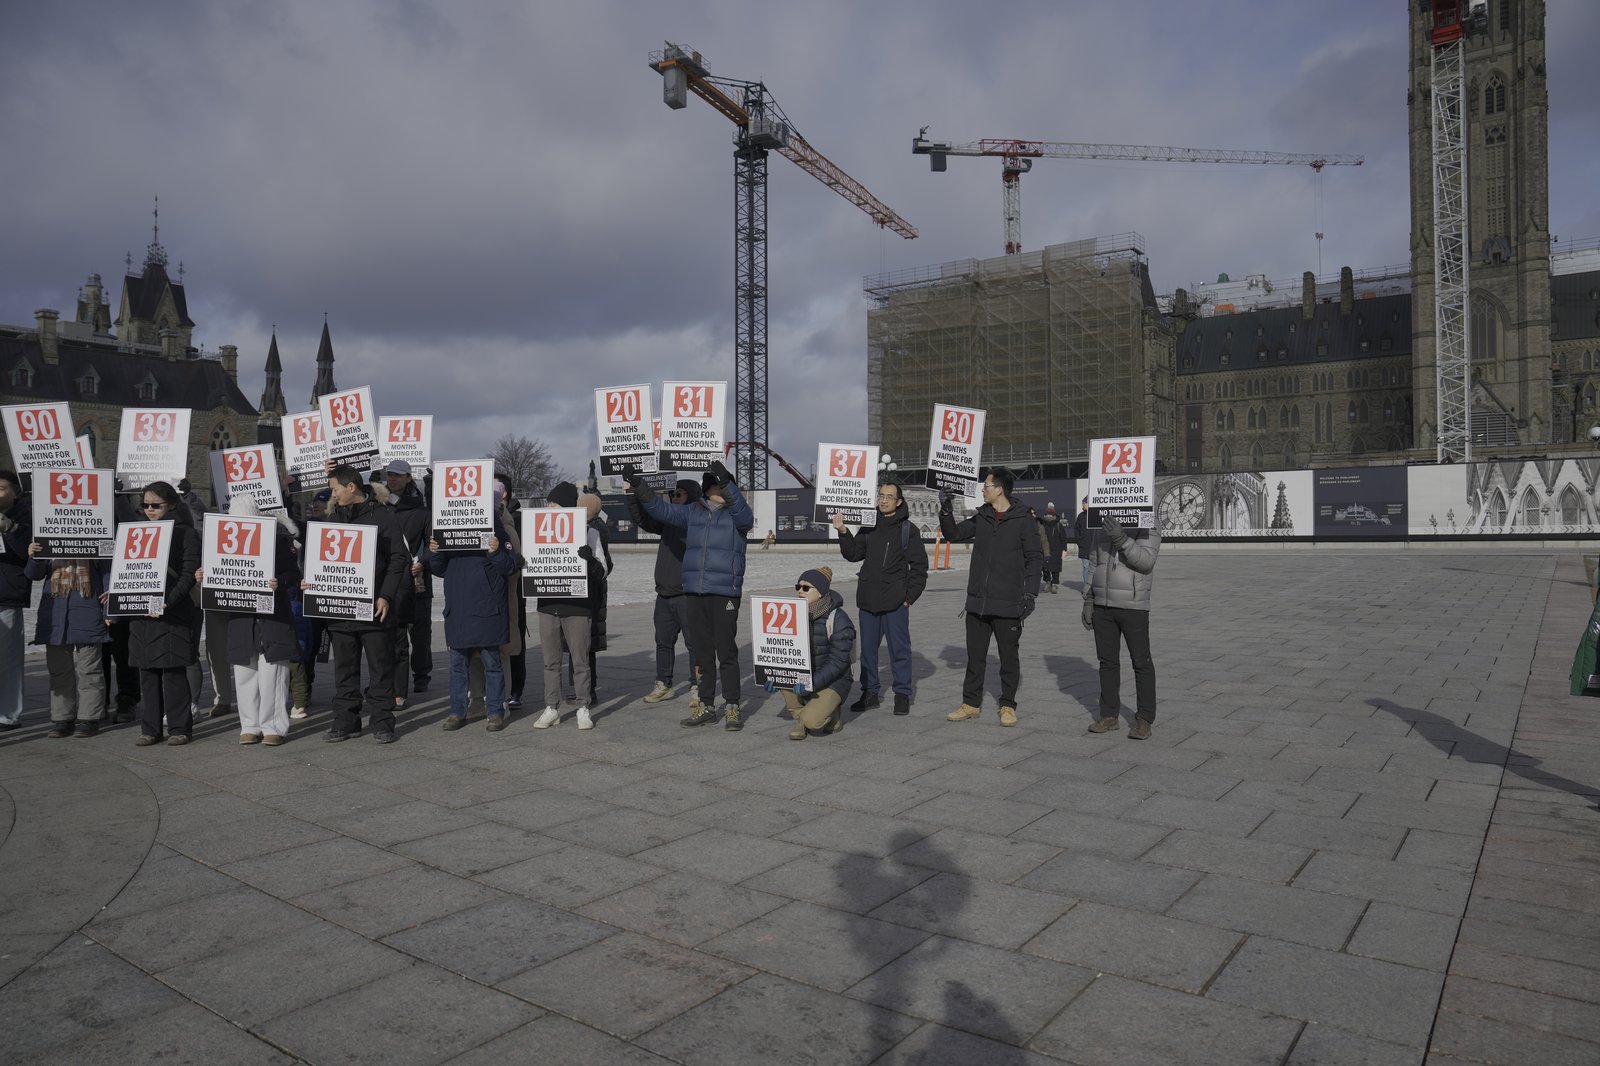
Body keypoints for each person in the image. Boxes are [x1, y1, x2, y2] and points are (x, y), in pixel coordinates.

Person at [626, 460, 753, 731]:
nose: (721, 489)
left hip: (724, 592)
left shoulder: (735, 515)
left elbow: (746, 516)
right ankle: (706, 705)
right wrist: (638, 485)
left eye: (724, 485)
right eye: (717, 485)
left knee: (727, 652)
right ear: (707, 490)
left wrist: (728, 481)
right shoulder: (692, 513)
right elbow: (659, 510)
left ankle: (732, 706)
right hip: (694, 591)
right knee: (703, 654)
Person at [939, 467, 1041, 727]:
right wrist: (946, 509)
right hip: (977, 603)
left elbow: (1034, 558)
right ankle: (970, 704)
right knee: (975, 658)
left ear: (1000, 489)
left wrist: (1030, 593)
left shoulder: (1022, 519)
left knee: (1009, 658)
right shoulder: (982, 516)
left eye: (986, 485)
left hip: (1008, 603)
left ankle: (1007, 705)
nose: (982, 489)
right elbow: (953, 534)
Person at [315, 465, 410, 743]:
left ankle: (382, 722)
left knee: (381, 668)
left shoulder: (382, 516)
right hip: (340, 609)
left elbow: (398, 559)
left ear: (351, 487)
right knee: (344, 669)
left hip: (374, 608)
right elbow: (321, 561)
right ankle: (346, 721)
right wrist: (312, 583)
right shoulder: (333, 519)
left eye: (335, 488)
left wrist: (386, 595)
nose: (332, 494)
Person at [832, 481, 927, 716]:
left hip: (895, 602)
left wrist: (909, 597)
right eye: (881, 495)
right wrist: (843, 531)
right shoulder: (869, 525)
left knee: (899, 650)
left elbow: (920, 567)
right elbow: (854, 554)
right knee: (868, 652)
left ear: (899, 501)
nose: (883, 500)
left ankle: (902, 694)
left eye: (889, 496)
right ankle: (870, 693)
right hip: (868, 599)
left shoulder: (908, 530)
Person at [214, 496, 301, 746]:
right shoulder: (222, 540)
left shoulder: (278, 538)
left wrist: (279, 581)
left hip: (272, 616)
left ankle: (274, 726)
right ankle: (249, 725)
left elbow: (293, 573)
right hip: (242, 617)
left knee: (272, 674)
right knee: (244, 673)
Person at [428, 512, 520, 732]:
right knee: (458, 666)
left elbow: (509, 567)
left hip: (487, 608)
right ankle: (456, 712)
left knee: (492, 665)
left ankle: (495, 712)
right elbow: (439, 569)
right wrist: (435, 552)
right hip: (459, 608)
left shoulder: (496, 527)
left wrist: (495, 551)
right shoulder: (448, 527)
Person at [128, 481, 202, 746]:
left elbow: (188, 574)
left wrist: (167, 602)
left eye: (155, 505)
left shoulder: (185, 533)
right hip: (140, 611)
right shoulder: (135, 530)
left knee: (172, 672)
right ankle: (150, 728)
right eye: (145, 504)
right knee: (146, 672)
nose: (149, 509)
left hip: (172, 612)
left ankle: (180, 727)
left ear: (171, 504)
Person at [1083, 513, 1162, 739]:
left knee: (1141, 662)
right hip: (1103, 605)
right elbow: (1094, 561)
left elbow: (1146, 562)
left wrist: (1122, 539)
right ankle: (1109, 715)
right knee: (1107, 661)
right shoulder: (1101, 522)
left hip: (1134, 604)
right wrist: (1089, 598)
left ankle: (1144, 718)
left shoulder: (1148, 520)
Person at [531, 482, 601, 730]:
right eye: (548, 503)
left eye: (555, 503)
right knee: (550, 661)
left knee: (580, 661)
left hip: (577, 606)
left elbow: (602, 571)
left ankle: (583, 706)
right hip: (548, 605)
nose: (550, 507)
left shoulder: (589, 533)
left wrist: (589, 560)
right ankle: (551, 707)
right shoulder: (537, 529)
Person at [24, 539, 109, 737]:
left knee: (90, 671)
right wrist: (33, 556)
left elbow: (108, 573)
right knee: (59, 671)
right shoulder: (47, 539)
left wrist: (110, 611)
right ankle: (62, 718)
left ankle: (89, 718)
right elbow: (33, 575)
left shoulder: (96, 538)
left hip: (88, 611)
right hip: (54, 615)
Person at [630, 478, 700, 704]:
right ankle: (664, 684)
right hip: (664, 592)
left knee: (694, 644)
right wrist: (631, 495)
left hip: (688, 593)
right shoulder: (668, 520)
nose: (674, 498)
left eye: (679, 494)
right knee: (663, 642)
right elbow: (645, 519)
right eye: (672, 495)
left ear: (691, 496)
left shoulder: (696, 519)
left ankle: (698, 686)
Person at [767, 566, 855, 740]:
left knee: (813, 722)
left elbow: (838, 662)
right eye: (798, 587)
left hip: (834, 680)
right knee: (784, 676)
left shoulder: (838, 618)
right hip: (807, 674)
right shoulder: (791, 615)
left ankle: (829, 716)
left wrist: (811, 683)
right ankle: (801, 720)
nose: (800, 591)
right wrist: (771, 676)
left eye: (806, 588)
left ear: (821, 592)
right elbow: (784, 653)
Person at [381, 460, 431, 704]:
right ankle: (393, 686)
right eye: (389, 475)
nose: (392, 479)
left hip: (417, 579)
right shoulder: (380, 505)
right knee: (394, 634)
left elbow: (433, 543)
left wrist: (422, 561)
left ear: (409, 478)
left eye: (398, 475)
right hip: (391, 579)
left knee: (419, 632)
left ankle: (421, 674)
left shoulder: (421, 510)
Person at [0, 470, 32, 731]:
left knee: (8, 660)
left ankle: (8, 714)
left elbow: (27, 556)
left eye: (1, 488)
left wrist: (9, 529)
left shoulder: (26, 514)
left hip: (7, 594)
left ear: (15, 492)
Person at [1040, 502, 1066, 593]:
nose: (1049, 516)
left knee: (1055, 568)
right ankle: (1047, 582)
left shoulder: (1058, 525)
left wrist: (1064, 549)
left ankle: (1054, 584)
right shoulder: (1042, 525)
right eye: (1047, 514)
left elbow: (1063, 538)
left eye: (1050, 514)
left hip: (1056, 550)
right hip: (1045, 550)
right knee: (1045, 568)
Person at [1073, 496, 1094, 587]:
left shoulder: (1095, 515)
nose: (1083, 505)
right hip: (1084, 546)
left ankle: (1093, 586)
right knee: (1086, 567)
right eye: (1082, 503)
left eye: (1084, 503)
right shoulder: (1081, 516)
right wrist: (1079, 541)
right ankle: (1087, 587)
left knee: (1094, 568)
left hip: (1094, 547)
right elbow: (1076, 529)